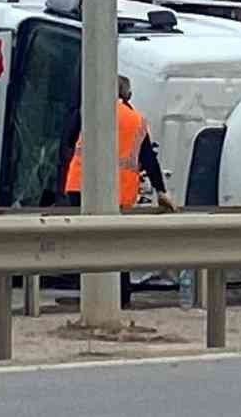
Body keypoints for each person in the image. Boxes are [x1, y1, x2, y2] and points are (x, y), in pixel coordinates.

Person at [59, 75, 178, 307]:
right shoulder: (136, 120)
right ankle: (121, 297)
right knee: (117, 244)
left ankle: (90, 296)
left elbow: (68, 142)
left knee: (87, 243)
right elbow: (149, 159)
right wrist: (161, 191)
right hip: (119, 190)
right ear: (128, 95)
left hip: (80, 186)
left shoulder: (88, 111)